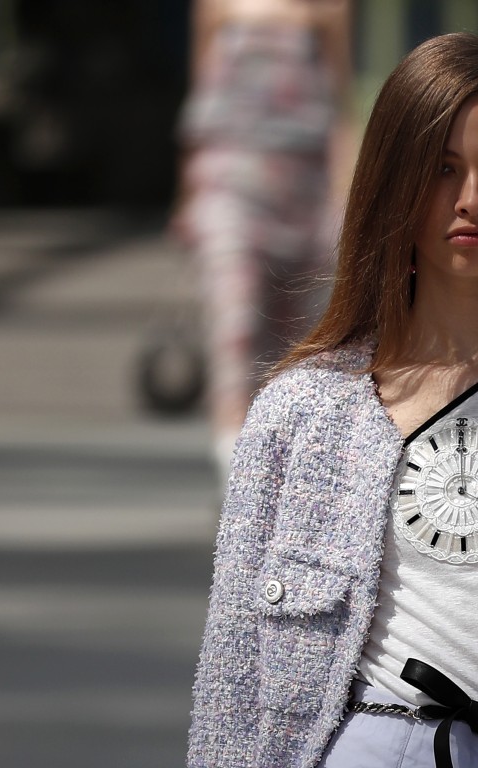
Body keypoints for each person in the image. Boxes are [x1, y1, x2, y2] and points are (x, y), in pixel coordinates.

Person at [187, 32, 478, 768]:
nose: (473, 199)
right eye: (441, 170)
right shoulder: (301, 411)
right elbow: (233, 682)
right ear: (392, 180)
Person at [174, 0, 354, 481]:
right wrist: (187, 197)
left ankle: (281, 477)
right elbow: (201, 99)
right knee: (233, 329)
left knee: (296, 346)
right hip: (229, 182)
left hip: (303, 188)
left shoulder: (329, 7)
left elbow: (340, 106)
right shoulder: (213, 5)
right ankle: (232, 471)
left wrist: (343, 198)